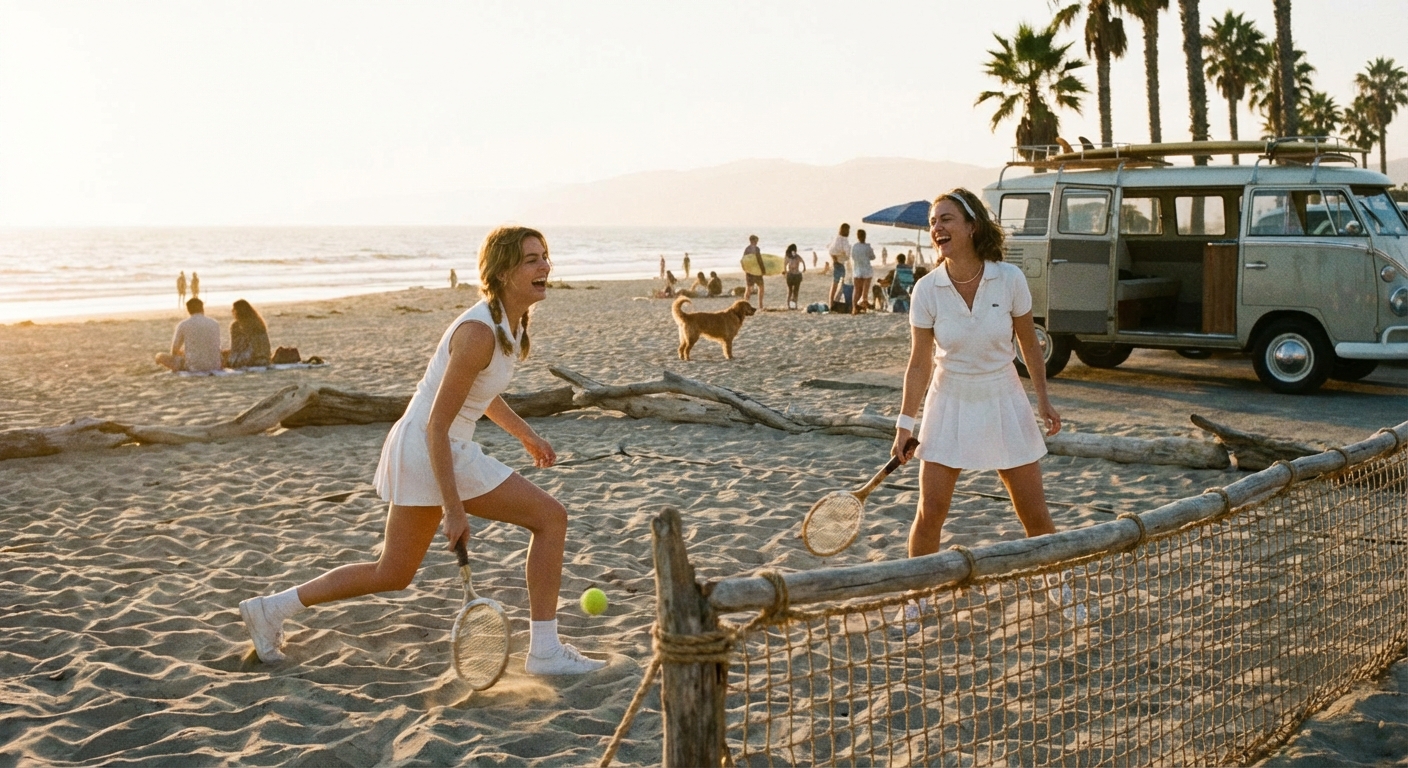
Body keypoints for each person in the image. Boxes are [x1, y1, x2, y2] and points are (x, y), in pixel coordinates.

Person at [238, 226, 606, 675]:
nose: (545, 266)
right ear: (503, 271)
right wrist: (453, 508)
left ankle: (270, 609)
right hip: (432, 446)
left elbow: (482, 392)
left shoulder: (509, 323)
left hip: (435, 445)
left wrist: (525, 434)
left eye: (545, 256)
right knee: (551, 518)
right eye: (532, 259)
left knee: (392, 572)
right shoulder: (478, 332)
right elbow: (437, 425)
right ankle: (545, 651)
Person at [890, 189, 1061, 626]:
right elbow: (918, 363)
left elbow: (1029, 344)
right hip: (948, 401)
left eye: (946, 219)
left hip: (1004, 397)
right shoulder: (926, 289)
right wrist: (904, 425)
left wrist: (1043, 399)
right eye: (933, 222)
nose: (937, 228)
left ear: (972, 225)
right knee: (930, 514)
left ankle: (1058, 591)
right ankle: (917, 596)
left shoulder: (1010, 279)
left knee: (1035, 513)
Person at [155, 298, 222, 373]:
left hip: (193, 366)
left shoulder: (183, 324)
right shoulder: (214, 323)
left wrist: (184, 353)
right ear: (202, 308)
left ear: (188, 310)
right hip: (215, 365)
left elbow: (174, 350)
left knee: (159, 356)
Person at [225, 299, 272, 368]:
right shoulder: (258, 323)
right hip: (265, 358)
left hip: (250, 359)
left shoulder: (237, 325)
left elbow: (235, 347)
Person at [850, 229, 876, 314]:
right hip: (866, 270)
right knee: (865, 291)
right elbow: (872, 257)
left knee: (857, 290)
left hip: (857, 270)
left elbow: (853, 257)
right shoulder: (867, 247)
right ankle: (863, 307)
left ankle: (854, 308)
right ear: (865, 236)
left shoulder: (854, 247)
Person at [827, 223, 850, 307]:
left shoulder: (837, 238)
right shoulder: (844, 240)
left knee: (835, 284)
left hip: (836, 263)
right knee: (841, 284)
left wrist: (834, 258)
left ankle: (831, 302)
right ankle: (835, 301)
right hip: (840, 263)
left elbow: (830, 250)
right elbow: (847, 253)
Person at [743, 235, 766, 309]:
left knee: (751, 288)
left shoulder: (748, 249)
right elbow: (759, 260)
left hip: (751, 271)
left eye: (757, 241)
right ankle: (759, 305)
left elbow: (744, 260)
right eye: (756, 241)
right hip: (755, 271)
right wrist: (763, 270)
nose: (757, 242)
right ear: (752, 241)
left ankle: (747, 304)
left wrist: (746, 270)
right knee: (758, 287)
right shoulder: (755, 249)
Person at [783, 243, 806, 310]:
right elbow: (803, 261)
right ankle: (794, 305)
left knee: (790, 291)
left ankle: (790, 305)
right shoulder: (797, 256)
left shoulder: (788, 256)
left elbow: (784, 265)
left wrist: (785, 272)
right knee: (795, 291)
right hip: (796, 275)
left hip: (791, 275)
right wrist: (804, 268)